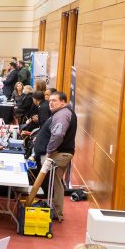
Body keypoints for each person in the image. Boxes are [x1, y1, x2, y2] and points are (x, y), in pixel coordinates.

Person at [44, 91, 77, 222]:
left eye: (54, 100)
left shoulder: (62, 115)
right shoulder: (63, 112)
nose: (50, 103)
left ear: (62, 102)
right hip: (63, 152)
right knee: (56, 181)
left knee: (54, 181)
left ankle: (56, 211)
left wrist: (49, 151)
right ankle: (56, 211)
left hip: (60, 153)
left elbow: (58, 135)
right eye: (50, 100)